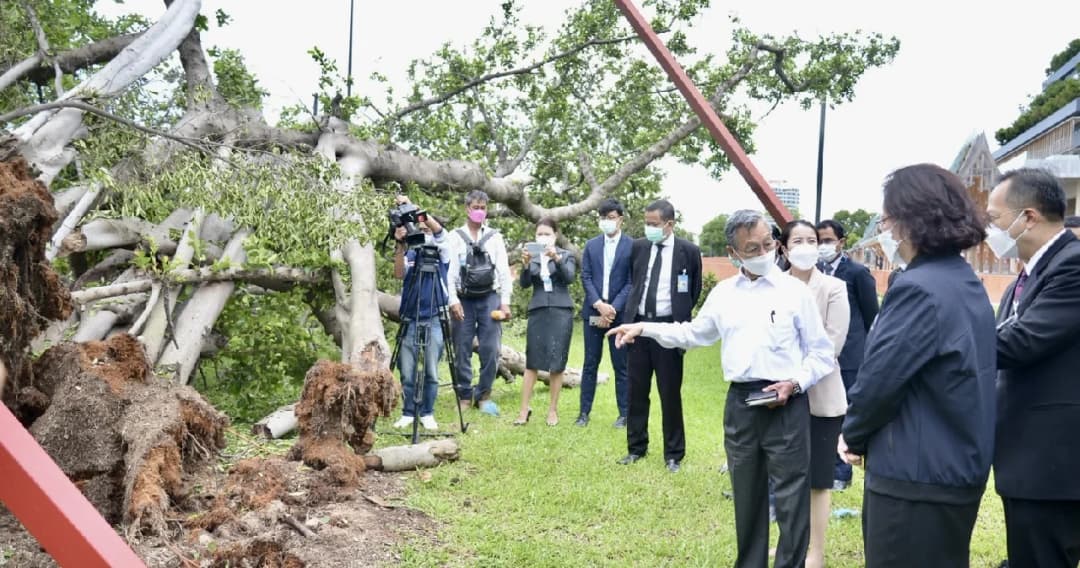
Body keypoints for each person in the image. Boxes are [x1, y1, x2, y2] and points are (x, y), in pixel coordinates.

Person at [609, 209, 835, 568]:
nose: (763, 252)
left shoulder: (796, 292)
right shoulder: (724, 294)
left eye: (767, 244)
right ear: (733, 253)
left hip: (786, 403)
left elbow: (822, 355)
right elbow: (692, 333)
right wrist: (644, 328)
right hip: (742, 404)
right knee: (747, 497)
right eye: (752, 248)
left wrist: (794, 383)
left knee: (792, 500)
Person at [839, 163, 996, 568]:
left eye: (887, 219)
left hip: (915, 476)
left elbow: (880, 379)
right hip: (954, 466)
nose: (886, 231)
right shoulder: (964, 281)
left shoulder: (918, 289)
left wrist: (853, 435)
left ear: (910, 221)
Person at [987, 168, 1080, 567]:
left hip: (1053, 463)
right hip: (1028, 457)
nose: (990, 230)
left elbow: (1022, 342)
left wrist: (945, 336)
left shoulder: (1071, 267)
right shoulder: (1024, 277)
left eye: (995, 219)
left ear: (1027, 217)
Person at [781, 220, 849, 568]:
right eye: (799, 240)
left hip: (821, 398)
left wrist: (791, 373)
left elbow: (831, 345)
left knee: (818, 481)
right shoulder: (771, 288)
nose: (807, 246)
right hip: (775, 400)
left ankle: (815, 553)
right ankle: (787, 547)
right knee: (784, 479)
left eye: (813, 240)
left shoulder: (834, 288)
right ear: (784, 248)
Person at [617, 199, 701, 473]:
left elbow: (693, 289)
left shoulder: (688, 250)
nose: (649, 228)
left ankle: (674, 454)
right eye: (647, 223)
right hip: (638, 328)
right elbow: (635, 279)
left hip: (669, 330)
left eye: (654, 224)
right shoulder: (639, 247)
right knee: (636, 391)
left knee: (669, 392)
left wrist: (678, 315)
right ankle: (636, 448)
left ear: (669, 224)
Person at [815, 218, 879, 491]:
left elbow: (871, 317)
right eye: (819, 240)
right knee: (822, 412)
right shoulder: (812, 271)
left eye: (828, 240)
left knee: (844, 413)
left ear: (841, 242)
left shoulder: (857, 273)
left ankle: (842, 471)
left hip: (851, 356)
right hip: (820, 353)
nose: (822, 246)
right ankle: (821, 465)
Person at [446, 190, 513, 415]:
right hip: (463, 298)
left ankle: (484, 394)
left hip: (489, 298)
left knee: (491, 349)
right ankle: (464, 395)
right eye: (476, 207)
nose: (479, 212)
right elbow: (450, 272)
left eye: (483, 208)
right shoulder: (455, 236)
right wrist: (452, 300)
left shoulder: (495, 236)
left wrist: (506, 302)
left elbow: (503, 271)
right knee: (462, 347)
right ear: (467, 209)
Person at [391, 197, 451, 430]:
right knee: (407, 370)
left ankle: (427, 412)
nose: (422, 232)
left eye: (425, 228)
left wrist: (415, 210)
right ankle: (408, 412)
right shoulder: (411, 253)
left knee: (431, 371)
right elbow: (398, 274)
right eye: (418, 229)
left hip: (434, 316)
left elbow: (440, 232)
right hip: (410, 317)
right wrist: (400, 244)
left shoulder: (441, 251)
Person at [513, 218, 577, 427]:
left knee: (556, 362)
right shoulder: (532, 257)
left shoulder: (566, 255)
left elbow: (569, 278)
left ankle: (552, 410)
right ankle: (524, 410)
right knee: (532, 361)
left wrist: (556, 258)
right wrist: (524, 266)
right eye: (539, 234)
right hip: (538, 308)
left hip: (561, 310)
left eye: (547, 233)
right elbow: (524, 284)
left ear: (555, 235)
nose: (543, 237)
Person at [577, 198, 634, 428]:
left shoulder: (632, 246)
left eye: (610, 218)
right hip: (594, 312)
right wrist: (599, 304)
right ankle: (583, 413)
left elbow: (632, 281)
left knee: (621, 365)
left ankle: (624, 414)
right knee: (590, 363)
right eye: (603, 218)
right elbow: (586, 277)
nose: (606, 222)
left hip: (618, 316)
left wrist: (614, 307)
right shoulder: (591, 245)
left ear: (620, 219)